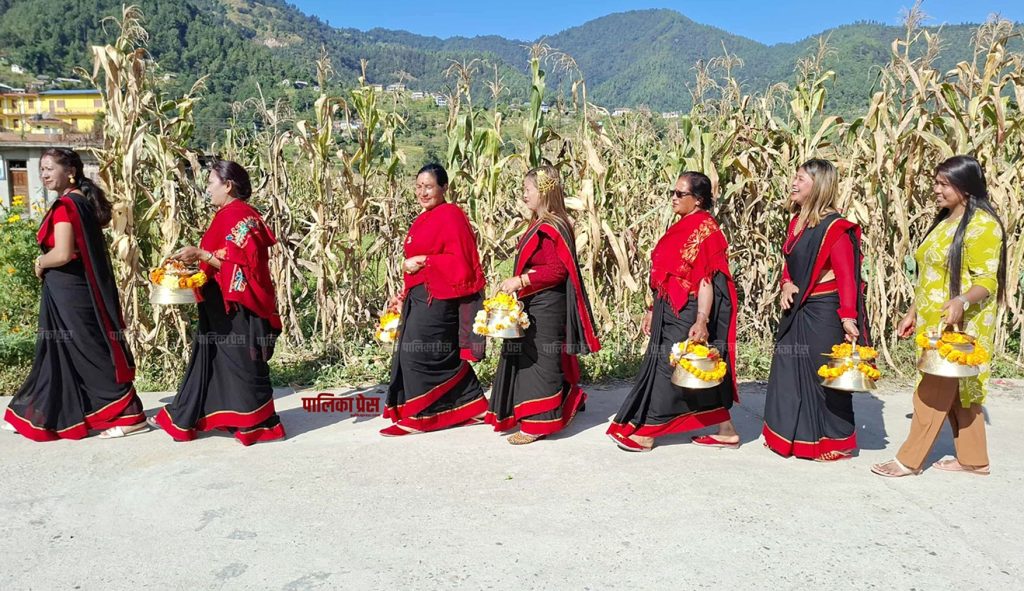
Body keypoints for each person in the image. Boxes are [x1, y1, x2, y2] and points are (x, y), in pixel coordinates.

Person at [872, 155, 1006, 477]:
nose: (936, 189)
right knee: (961, 391)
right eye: (936, 182)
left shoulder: (983, 226)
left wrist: (961, 300)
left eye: (944, 184)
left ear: (966, 186)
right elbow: (931, 275)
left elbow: (987, 280)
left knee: (931, 392)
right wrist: (912, 312)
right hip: (933, 319)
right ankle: (974, 460)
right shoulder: (946, 220)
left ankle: (909, 460)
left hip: (960, 324)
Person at [3, 148, 145, 440]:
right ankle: (37, 412)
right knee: (60, 352)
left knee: (88, 351)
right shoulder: (79, 201)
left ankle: (131, 414)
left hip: (70, 292)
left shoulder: (67, 206)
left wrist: (40, 261)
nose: (44, 175)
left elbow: (63, 253)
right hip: (71, 290)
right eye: (42, 169)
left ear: (70, 172)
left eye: (49, 169)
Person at [150, 160, 285, 445]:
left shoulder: (236, 216)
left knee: (241, 364)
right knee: (222, 362)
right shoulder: (239, 214)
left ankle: (256, 424)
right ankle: (225, 417)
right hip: (223, 302)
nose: (208, 189)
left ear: (228, 185)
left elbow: (242, 267)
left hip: (237, 305)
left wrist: (200, 254)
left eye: (211, 182)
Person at [607, 171, 740, 452]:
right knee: (688, 369)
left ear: (698, 199)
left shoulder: (706, 231)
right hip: (666, 306)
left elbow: (706, 281)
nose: (673, 198)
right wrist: (651, 309)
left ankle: (648, 433)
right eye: (673, 192)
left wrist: (702, 320)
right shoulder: (681, 226)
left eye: (680, 194)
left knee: (667, 367)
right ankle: (726, 430)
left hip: (687, 310)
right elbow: (665, 277)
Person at [762, 158, 870, 462]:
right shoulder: (796, 222)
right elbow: (790, 262)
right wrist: (786, 284)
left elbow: (847, 276)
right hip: (796, 307)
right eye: (794, 177)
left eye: (801, 179)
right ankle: (787, 437)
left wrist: (848, 318)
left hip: (824, 311)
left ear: (819, 185)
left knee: (823, 377)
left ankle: (835, 442)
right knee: (787, 371)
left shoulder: (835, 228)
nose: (793, 184)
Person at [484, 165, 601, 445]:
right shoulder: (540, 222)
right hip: (535, 301)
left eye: (528, 190)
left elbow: (557, 270)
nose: (524, 195)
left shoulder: (551, 226)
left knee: (540, 364)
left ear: (545, 192)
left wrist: (521, 280)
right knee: (536, 360)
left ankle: (539, 423)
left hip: (546, 304)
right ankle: (566, 401)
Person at [380, 164, 489, 436]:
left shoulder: (451, 215)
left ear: (444, 188)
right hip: (420, 296)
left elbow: (462, 262)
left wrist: (425, 261)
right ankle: (472, 406)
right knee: (437, 354)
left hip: (441, 298)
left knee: (417, 353)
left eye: (429, 187)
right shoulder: (423, 219)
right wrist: (403, 295)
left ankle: (423, 415)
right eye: (419, 187)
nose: (422, 192)